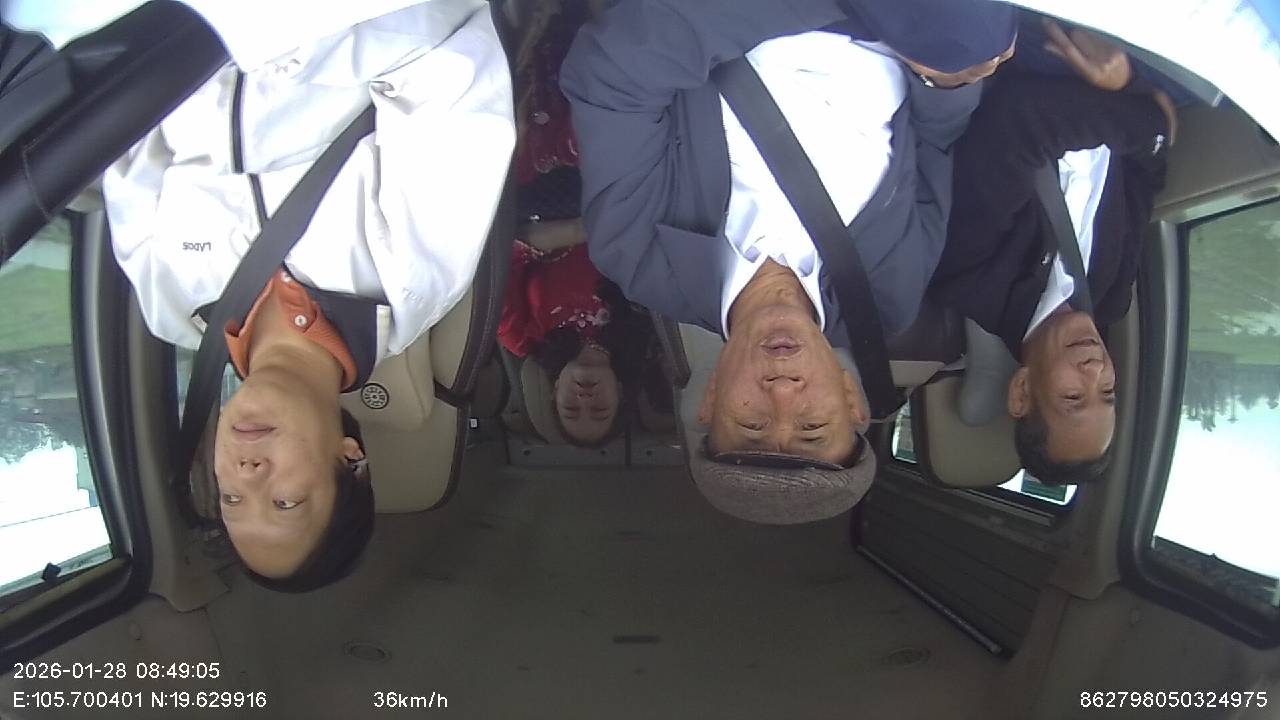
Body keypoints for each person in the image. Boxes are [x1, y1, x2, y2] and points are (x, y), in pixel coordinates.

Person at [103, 1, 514, 590]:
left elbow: (124, 139)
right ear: (349, 458)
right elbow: (447, 49)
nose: (248, 473)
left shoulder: (169, 305)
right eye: (285, 501)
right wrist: (257, 35)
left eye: (232, 498)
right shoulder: (410, 276)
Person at [560, 0, 1017, 519]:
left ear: (711, 400)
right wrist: (945, 83)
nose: (781, 392)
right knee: (983, 39)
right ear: (852, 400)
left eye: (752, 423)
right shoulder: (892, 295)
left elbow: (614, 70)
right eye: (811, 427)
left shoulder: (637, 254)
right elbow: (935, 143)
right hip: (912, 35)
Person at [929, 21, 1176, 486]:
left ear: (1021, 391)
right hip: (1114, 86)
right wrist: (1130, 89)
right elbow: (1150, 175)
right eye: (1107, 392)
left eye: (1073, 397)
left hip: (1029, 60)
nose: (1095, 369)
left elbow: (1022, 119)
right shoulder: (1110, 296)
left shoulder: (968, 276)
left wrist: (1142, 111)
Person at [497, 0, 651, 446]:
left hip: (539, 192)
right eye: (599, 408)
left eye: (571, 407)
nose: (585, 398)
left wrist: (570, 232)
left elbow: (497, 262)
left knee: (528, 144)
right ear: (621, 393)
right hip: (619, 190)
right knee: (610, 137)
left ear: (553, 393)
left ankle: (542, 24)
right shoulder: (645, 332)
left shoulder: (522, 338)